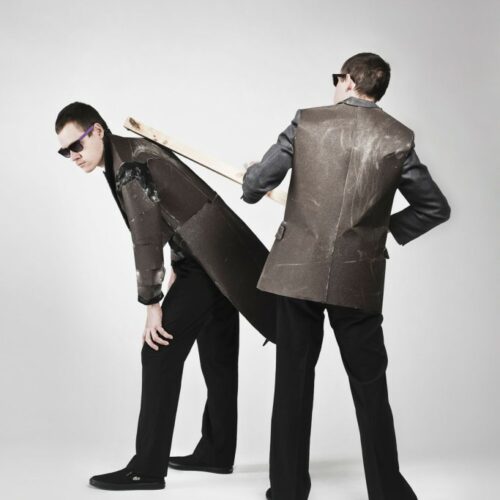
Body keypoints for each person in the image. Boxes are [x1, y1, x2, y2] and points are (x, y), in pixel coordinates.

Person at [242, 52, 451, 500]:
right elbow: (435, 207)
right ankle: (388, 492)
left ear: (351, 80)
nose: (335, 86)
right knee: (371, 386)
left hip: (296, 275)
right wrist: (379, 232)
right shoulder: (398, 137)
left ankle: (288, 491)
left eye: (337, 78)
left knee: (293, 384)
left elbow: (256, 185)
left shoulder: (307, 122)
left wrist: (250, 177)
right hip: (359, 279)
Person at [55, 102, 275, 490]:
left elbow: (146, 238)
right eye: (65, 151)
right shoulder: (131, 151)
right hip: (220, 254)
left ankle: (147, 468)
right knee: (218, 352)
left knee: (157, 351)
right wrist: (179, 263)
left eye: (77, 145)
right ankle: (217, 451)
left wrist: (152, 304)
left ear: (98, 131)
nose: (73, 156)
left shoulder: (128, 167)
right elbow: (180, 205)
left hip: (207, 261)